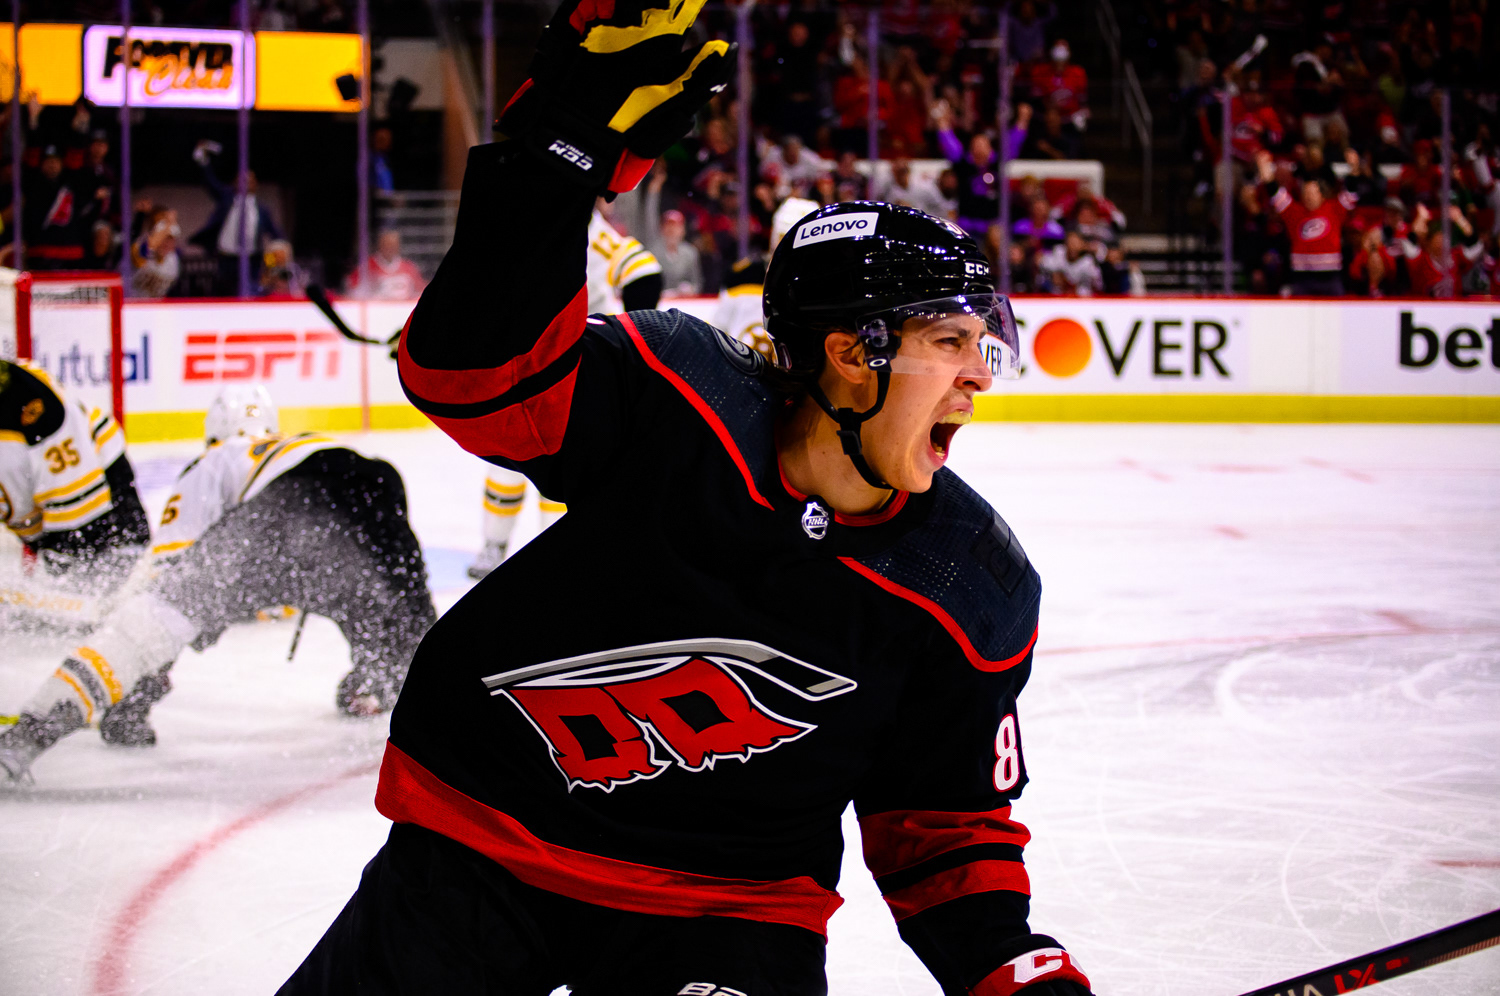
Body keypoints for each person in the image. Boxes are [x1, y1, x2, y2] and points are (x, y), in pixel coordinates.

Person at [282, 3, 1094, 994]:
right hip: (489, 846)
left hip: (727, 914)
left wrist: (1009, 964)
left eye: (983, 344)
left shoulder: (968, 581)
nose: (982, 376)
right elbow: (472, 375)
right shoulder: (680, 398)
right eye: (950, 344)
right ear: (848, 354)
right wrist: (557, 149)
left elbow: (944, 826)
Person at [0, 385, 437, 778]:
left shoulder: (217, 458)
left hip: (287, 509)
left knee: (152, 624)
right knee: (418, 655)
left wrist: (135, 689)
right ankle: (377, 684)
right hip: (378, 496)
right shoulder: (299, 444)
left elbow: (166, 571)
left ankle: (26, 740)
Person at [467, 206, 664, 578]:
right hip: (527, 367)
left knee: (557, 463)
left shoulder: (584, 226)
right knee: (508, 462)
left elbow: (642, 269)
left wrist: (623, 332)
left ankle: (552, 553)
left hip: (573, 371)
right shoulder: (530, 225)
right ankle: (501, 546)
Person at [0, 360, 148, 609]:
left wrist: (39, 542)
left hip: (95, 475)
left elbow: (20, 505)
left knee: (112, 550)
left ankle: (120, 575)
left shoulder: (17, 419)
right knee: (124, 544)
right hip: (103, 458)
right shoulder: (20, 375)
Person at [191, 140, 283, 296]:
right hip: (226, 258)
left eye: (250, 180)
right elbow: (210, 182)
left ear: (256, 184)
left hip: (252, 259)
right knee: (225, 293)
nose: (246, 183)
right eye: (242, 179)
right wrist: (202, 160)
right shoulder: (227, 199)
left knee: (251, 292)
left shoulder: (262, 210)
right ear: (234, 182)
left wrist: (278, 255)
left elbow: (276, 236)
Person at [1258, 151, 1354, 296]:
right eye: (1306, 193)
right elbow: (1275, 192)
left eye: (1312, 193)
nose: (1308, 197)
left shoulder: (1334, 209)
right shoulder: (1294, 212)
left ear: (1321, 195)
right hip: (1302, 280)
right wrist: (1265, 170)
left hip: (1330, 279)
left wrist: (1354, 166)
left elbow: (1352, 192)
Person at [348, 229, 426, 300]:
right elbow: (352, 290)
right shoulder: (367, 266)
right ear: (380, 245)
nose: (390, 249)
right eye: (387, 245)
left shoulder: (408, 267)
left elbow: (420, 290)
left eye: (393, 245)